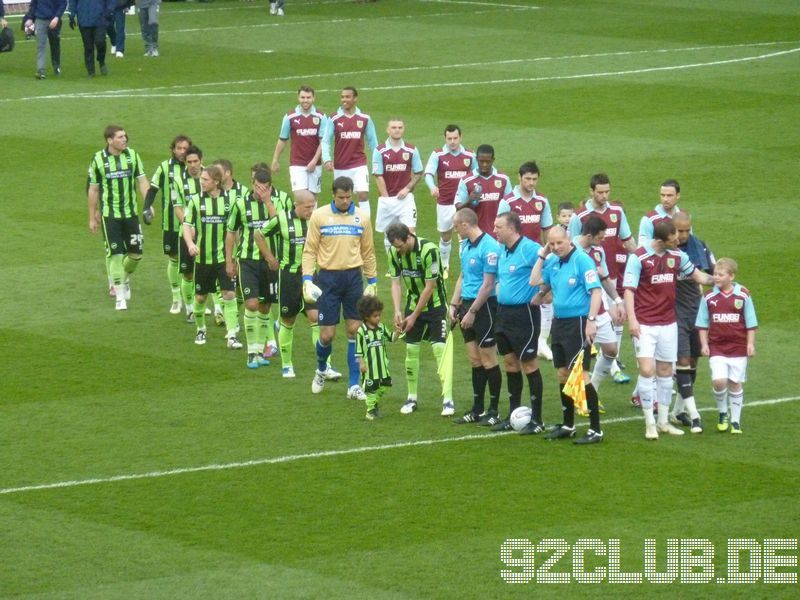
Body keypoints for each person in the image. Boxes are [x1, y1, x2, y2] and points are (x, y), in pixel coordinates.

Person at [623, 220, 713, 440]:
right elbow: (629, 291)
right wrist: (632, 321)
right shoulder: (639, 257)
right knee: (646, 370)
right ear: (663, 239)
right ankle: (649, 423)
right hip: (645, 324)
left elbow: (698, 276)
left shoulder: (677, 256)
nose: (679, 240)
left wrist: (721, 281)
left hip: (668, 323)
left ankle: (663, 422)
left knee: (665, 372)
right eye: (674, 237)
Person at [302, 176, 378, 400]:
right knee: (327, 335)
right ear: (333, 195)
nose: (345, 201)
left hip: (353, 278)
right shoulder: (319, 216)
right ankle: (321, 368)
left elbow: (368, 251)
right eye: (341, 197)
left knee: (354, 330)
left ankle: (353, 385)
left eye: (348, 197)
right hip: (328, 279)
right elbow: (310, 250)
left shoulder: (362, 217)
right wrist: (307, 279)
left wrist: (372, 281)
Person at [529, 227, 604, 445]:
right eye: (552, 244)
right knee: (562, 374)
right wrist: (543, 255)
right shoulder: (552, 261)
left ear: (569, 240)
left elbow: (596, 291)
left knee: (581, 375)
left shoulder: (582, 261)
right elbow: (534, 281)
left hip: (578, 323)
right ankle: (568, 425)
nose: (556, 247)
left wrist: (591, 321)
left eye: (559, 243)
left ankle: (596, 429)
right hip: (559, 323)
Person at [256, 192, 342, 381]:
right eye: (307, 207)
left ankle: (325, 366)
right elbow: (258, 234)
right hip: (288, 277)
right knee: (288, 320)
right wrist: (269, 258)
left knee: (317, 318)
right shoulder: (281, 219)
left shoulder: (317, 220)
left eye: (313, 206)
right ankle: (287, 366)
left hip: (311, 277)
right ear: (297, 205)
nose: (311, 210)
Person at [567, 173, 636, 383]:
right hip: (584, 285)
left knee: (617, 320)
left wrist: (643, 259)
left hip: (609, 275)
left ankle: (611, 365)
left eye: (607, 192)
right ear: (591, 191)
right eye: (600, 192)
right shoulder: (580, 216)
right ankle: (609, 369)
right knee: (591, 332)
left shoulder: (616, 212)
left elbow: (628, 240)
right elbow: (570, 247)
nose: (605, 196)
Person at [386, 222, 453, 416]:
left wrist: (414, 316)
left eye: (400, 246)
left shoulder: (429, 251)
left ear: (408, 238)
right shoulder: (394, 252)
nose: (397, 251)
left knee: (439, 350)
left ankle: (448, 400)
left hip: (435, 307)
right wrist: (398, 310)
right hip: (412, 305)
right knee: (411, 350)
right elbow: (396, 283)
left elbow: (429, 287)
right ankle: (412, 398)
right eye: (394, 247)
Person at [491, 212, 545, 433]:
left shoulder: (530, 249)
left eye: (498, 227)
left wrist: (542, 294)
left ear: (512, 229)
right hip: (503, 314)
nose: (494, 230)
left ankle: (538, 420)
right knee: (510, 364)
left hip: (524, 315)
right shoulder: (502, 250)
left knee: (529, 364)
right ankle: (513, 415)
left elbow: (550, 269)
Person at [449, 208, 503, 426]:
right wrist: (454, 304)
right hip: (467, 305)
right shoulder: (465, 246)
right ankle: (477, 409)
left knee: (488, 358)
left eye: (456, 226)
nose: (454, 230)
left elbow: (488, 284)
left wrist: (472, 312)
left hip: (484, 307)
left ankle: (494, 410)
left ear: (465, 225)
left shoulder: (489, 247)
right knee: (474, 359)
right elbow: (462, 276)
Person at [87, 125, 149, 311]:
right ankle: (120, 294)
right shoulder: (98, 159)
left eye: (125, 136)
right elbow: (94, 188)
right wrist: (92, 216)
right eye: (120, 137)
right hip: (110, 216)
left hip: (131, 214)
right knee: (115, 253)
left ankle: (125, 277)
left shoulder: (132, 156)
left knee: (136, 254)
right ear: (109, 140)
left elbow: (142, 181)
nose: (124, 139)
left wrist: (148, 204)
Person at [497, 161, 553, 360]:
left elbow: (547, 231)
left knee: (544, 295)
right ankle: (522, 337)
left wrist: (549, 256)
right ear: (519, 178)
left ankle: (541, 341)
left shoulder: (542, 201)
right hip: (516, 257)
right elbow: (500, 231)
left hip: (536, 256)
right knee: (523, 296)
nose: (531, 183)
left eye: (534, 179)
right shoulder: (508, 201)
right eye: (527, 178)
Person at [182, 165, 242, 349]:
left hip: (224, 258)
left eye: (205, 180)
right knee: (200, 298)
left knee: (229, 294)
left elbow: (235, 230)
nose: (202, 182)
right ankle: (201, 329)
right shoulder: (194, 201)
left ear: (216, 182)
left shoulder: (230, 201)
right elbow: (186, 224)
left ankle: (232, 335)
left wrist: (237, 254)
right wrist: (191, 244)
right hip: (203, 259)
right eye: (201, 179)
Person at [695, 258, 758, 434]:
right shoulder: (708, 297)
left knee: (735, 383)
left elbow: (751, 323)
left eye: (720, 274)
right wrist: (704, 344)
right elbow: (702, 323)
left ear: (731, 276)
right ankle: (723, 413)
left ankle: (736, 421)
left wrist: (750, 344)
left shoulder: (743, 294)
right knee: (719, 380)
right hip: (717, 347)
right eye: (714, 274)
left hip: (738, 347)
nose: (716, 277)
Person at [225, 168, 276, 369]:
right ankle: (251, 352)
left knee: (265, 306)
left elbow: (279, 225)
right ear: (252, 183)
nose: (259, 191)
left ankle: (259, 351)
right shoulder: (240, 203)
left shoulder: (277, 202)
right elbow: (230, 234)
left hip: (269, 262)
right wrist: (229, 261)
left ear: (270, 187)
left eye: (264, 188)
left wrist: (269, 202)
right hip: (247, 261)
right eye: (256, 187)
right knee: (252, 304)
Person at [671, 211, 715, 432]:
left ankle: (678, 411)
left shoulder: (700, 247)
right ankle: (695, 415)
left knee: (694, 362)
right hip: (673, 314)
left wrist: (726, 283)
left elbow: (712, 274)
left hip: (696, 312)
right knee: (683, 360)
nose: (684, 235)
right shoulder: (665, 251)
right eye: (680, 230)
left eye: (687, 230)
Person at [574, 216, 626, 397]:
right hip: (578, 310)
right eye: (601, 236)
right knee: (580, 357)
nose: (604, 240)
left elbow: (604, 278)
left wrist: (617, 301)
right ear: (589, 235)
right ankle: (582, 397)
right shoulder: (570, 249)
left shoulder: (598, 251)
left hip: (600, 308)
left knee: (611, 350)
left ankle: (593, 389)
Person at [142, 134, 191, 314]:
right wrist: (146, 208)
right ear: (172, 149)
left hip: (193, 225)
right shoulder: (164, 167)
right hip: (170, 223)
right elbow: (153, 189)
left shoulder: (196, 168)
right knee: (174, 258)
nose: (182, 152)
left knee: (193, 263)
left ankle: (192, 301)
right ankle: (176, 298)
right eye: (178, 148)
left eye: (185, 148)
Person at [424, 124, 476, 279]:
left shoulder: (469, 155)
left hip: (463, 204)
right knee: (445, 235)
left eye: (455, 138)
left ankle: (464, 267)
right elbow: (428, 173)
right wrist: (432, 187)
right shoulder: (438, 154)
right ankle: (444, 265)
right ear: (444, 138)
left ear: (461, 137)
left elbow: (476, 175)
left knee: (465, 235)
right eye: (449, 139)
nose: (452, 142)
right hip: (445, 202)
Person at [321, 87, 378, 216]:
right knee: (342, 199)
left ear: (355, 99)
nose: (344, 100)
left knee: (363, 195)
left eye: (347, 97)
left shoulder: (364, 119)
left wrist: (377, 164)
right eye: (342, 97)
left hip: (359, 165)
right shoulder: (334, 119)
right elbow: (325, 141)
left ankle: (365, 227)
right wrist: (327, 159)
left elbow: (373, 143)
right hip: (341, 166)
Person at [372, 118, 423, 254]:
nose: (397, 130)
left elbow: (418, 173)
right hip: (387, 198)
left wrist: (407, 188)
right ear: (388, 130)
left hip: (406, 200)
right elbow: (378, 175)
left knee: (410, 233)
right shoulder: (380, 150)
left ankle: (412, 262)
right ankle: (392, 265)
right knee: (389, 234)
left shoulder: (411, 150)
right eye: (394, 127)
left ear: (403, 129)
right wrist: (386, 198)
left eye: (400, 127)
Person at [271, 86, 325, 204]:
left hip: (316, 164)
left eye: (308, 97)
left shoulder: (321, 117)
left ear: (313, 98)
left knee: (313, 198)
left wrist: (314, 161)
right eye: (302, 97)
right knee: (300, 197)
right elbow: (282, 139)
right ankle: (300, 222)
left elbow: (323, 142)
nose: (305, 100)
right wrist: (275, 160)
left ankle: (312, 222)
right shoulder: (290, 117)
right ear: (298, 97)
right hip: (297, 163)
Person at [173, 144, 204, 321]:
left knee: (206, 270)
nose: (193, 165)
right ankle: (190, 308)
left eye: (196, 161)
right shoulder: (178, 180)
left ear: (201, 161)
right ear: (185, 163)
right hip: (186, 232)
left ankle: (207, 306)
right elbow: (178, 208)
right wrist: (188, 225)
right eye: (189, 162)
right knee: (188, 272)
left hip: (207, 232)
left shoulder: (210, 176)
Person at [454, 144, 512, 236]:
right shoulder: (466, 180)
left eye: (488, 162)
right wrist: (469, 200)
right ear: (477, 159)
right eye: (481, 161)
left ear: (493, 160)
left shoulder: (503, 179)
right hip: (474, 234)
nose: (484, 164)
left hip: (498, 235)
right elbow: (458, 208)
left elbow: (510, 208)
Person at [355, 295, 397, 420]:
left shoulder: (382, 328)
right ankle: (370, 411)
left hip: (382, 367)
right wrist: (361, 364)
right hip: (369, 368)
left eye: (379, 315)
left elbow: (392, 338)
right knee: (371, 390)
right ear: (366, 316)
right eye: (375, 316)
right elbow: (358, 351)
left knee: (383, 388)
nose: (378, 318)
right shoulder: (361, 331)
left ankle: (373, 404)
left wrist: (399, 331)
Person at [68, 0, 112, 77]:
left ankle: (101, 61)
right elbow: (73, 1)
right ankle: (91, 70)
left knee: (100, 41)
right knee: (88, 46)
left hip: (100, 19)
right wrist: (71, 15)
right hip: (84, 18)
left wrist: (109, 10)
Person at [23, 0, 65, 79]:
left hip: (54, 20)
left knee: (55, 45)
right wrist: (30, 18)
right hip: (40, 19)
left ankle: (56, 66)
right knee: (40, 45)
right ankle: (41, 71)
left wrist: (57, 17)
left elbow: (63, 4)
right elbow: (34, 4)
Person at [637, 179, 682, 246]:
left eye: (669, 195)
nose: (665, 199)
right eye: (663, 195)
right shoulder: (648, 220)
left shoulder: (683, 216)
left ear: (678, 195)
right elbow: (642, 247)